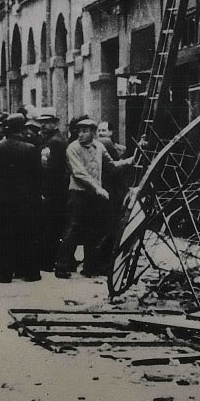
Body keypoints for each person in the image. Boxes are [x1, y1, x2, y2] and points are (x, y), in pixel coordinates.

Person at [55, 116, 132, 279]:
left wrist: (131, 161)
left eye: (84, 131)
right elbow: (79, 173)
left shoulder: (99, 147)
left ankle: (90, 267)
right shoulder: (72, 148)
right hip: (78, 194)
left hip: (95, 196)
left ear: (93, 133)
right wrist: (97, 187)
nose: (80, 134)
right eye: (79, 131)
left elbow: (111, 166)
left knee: (94, 231)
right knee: (73, 229)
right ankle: (61, 267)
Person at [0, 113, 42, 282]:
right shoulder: (30, 148)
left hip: (1, 200)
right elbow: (36, 178)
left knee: (5, 236)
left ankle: (4, 274)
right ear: (22, 128)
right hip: (25, 201)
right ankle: (30, 272)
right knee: (27, 236)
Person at [36, 108, 70, 272]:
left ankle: (49, 262)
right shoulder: (55, 138)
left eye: (47, 122)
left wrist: (44, 192)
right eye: (41, 122)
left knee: (51, 227)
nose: (43, 125)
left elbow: (48, 168)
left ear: (55, 123)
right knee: (55, 226)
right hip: (58, 190)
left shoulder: (53, 142)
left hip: (53, 191)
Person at [95, 121, 132, 267]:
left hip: (112, 190)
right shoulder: (103, 144)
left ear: (111, 132)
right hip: (110, 190)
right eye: (99, 130)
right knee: (110, 227)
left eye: (104, 130)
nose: (101, 133)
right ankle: (106, 262)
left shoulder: (116, 147)